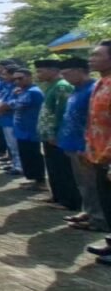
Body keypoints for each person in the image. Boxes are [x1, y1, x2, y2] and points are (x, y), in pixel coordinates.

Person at [35, 60, 76, 209]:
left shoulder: (62, 86)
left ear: (53, 70)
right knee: (53, 167)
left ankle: (68, 200)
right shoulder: (50, 86)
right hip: (48, 136)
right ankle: (57, 196)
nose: (37, 74)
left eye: (41, 71)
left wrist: (56, 133)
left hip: (57, 137)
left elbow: (62, 112)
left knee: (62, 168)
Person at [60, 58, 94, 229]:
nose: (65, 78)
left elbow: (93, 120)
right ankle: (87, 211)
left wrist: (86, 144)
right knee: (82, 183)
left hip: (85, 145)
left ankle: (98, 219)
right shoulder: (76, 90)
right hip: (72, 143)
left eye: (67, 74)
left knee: (93, 184)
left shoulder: (93, 89)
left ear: (79, 70)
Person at [84, 41, 111, 260]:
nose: (91, 59)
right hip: (98, 153)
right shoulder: (100, 83)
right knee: (107, 202)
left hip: (109, 156)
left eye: (96, 55)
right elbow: (93, 120)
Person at [6, 67, 46, 189]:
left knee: (33, 156)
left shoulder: (33, 92)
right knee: (26, 156)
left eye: (20, 78)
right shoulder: (23, 91)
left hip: (30, 130)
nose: (17, 81)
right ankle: (34, 179)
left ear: (29, 77)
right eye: (15, 79)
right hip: (21, 130)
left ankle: (40, 181)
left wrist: (13, 98)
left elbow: (16, 104)